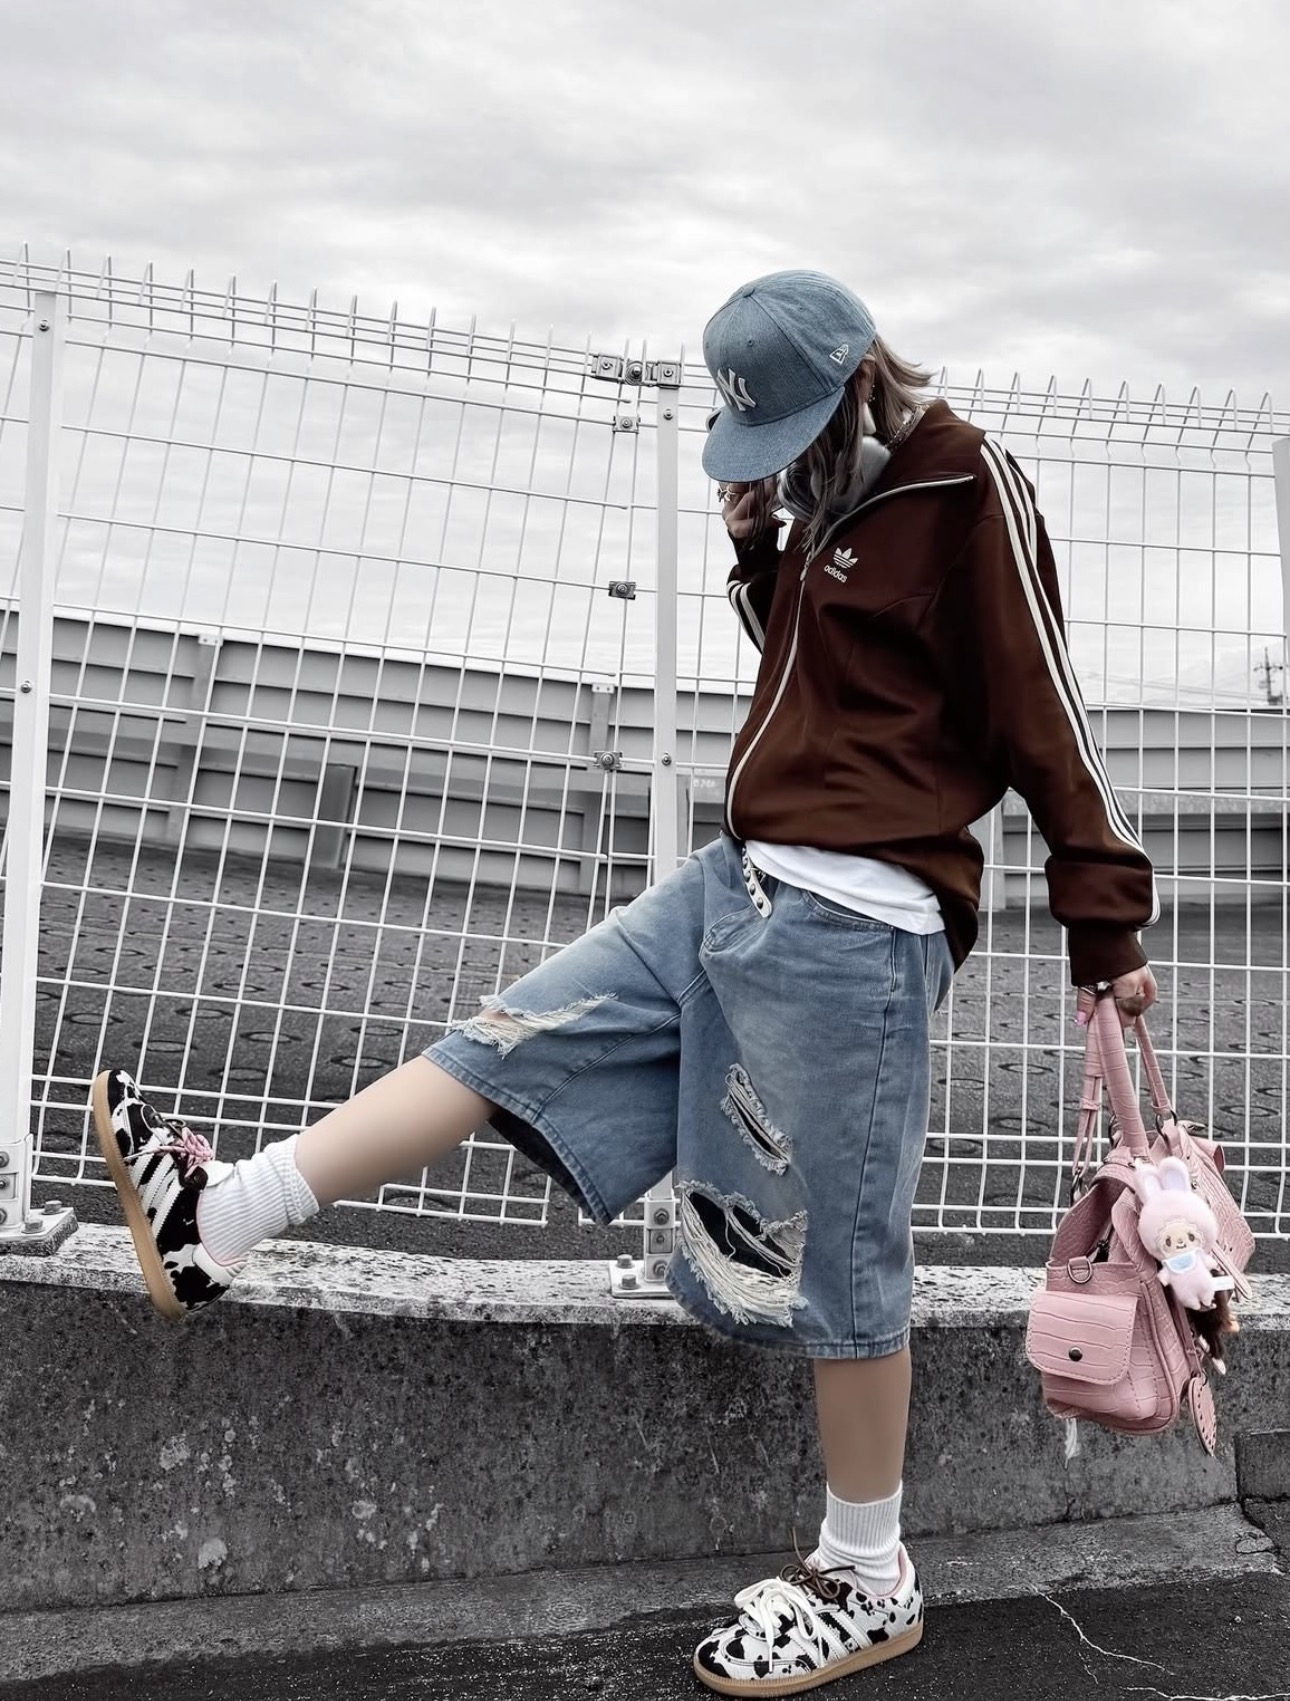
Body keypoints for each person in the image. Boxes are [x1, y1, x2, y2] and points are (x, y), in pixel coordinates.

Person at [92, 269, 1158, 1696]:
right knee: (513, 1034)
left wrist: (1104, 925)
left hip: (861, 926)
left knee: (843, 1255)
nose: (771, 461)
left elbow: (1043, 708)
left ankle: (866, 1572)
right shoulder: (820, 501)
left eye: (786, 434)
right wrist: (761, 555)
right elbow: (830, 692)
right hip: (738, 879)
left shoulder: (968, 485)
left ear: (857, 379)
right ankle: (220, 1220)